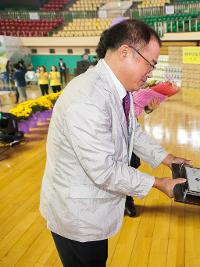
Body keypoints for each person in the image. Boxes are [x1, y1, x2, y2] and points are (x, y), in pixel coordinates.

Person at [40, 19, 190, 267]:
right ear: (125, 53)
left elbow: (133, 131)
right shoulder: (87, 99)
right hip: (77, 217)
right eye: (150, 64)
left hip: (90, 211)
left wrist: (167, 158)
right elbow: (104, 169)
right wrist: (158, 183)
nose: (151, 73)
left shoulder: (117, 89)